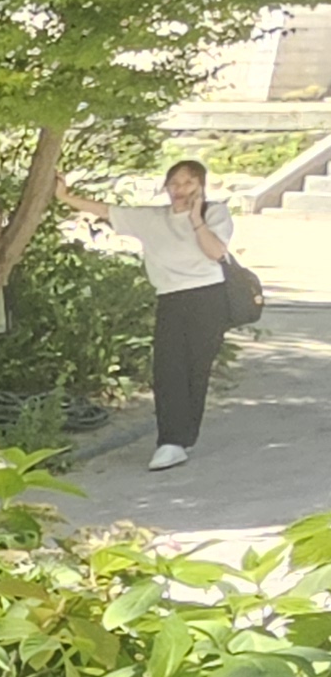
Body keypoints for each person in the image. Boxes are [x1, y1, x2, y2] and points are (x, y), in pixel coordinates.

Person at [64, 161, 242, 470]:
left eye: (188, 183)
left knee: (195, 368)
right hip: (170, 297)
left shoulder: (214, 213)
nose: (180, 189)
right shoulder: (153, 218)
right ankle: (171, 440)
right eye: (174, 183)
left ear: (201, 186)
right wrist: (63, 196)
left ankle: (183, 436)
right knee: (167, 368)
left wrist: (196, 219)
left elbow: (216, 252)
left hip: (208, 296)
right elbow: (106, 210)